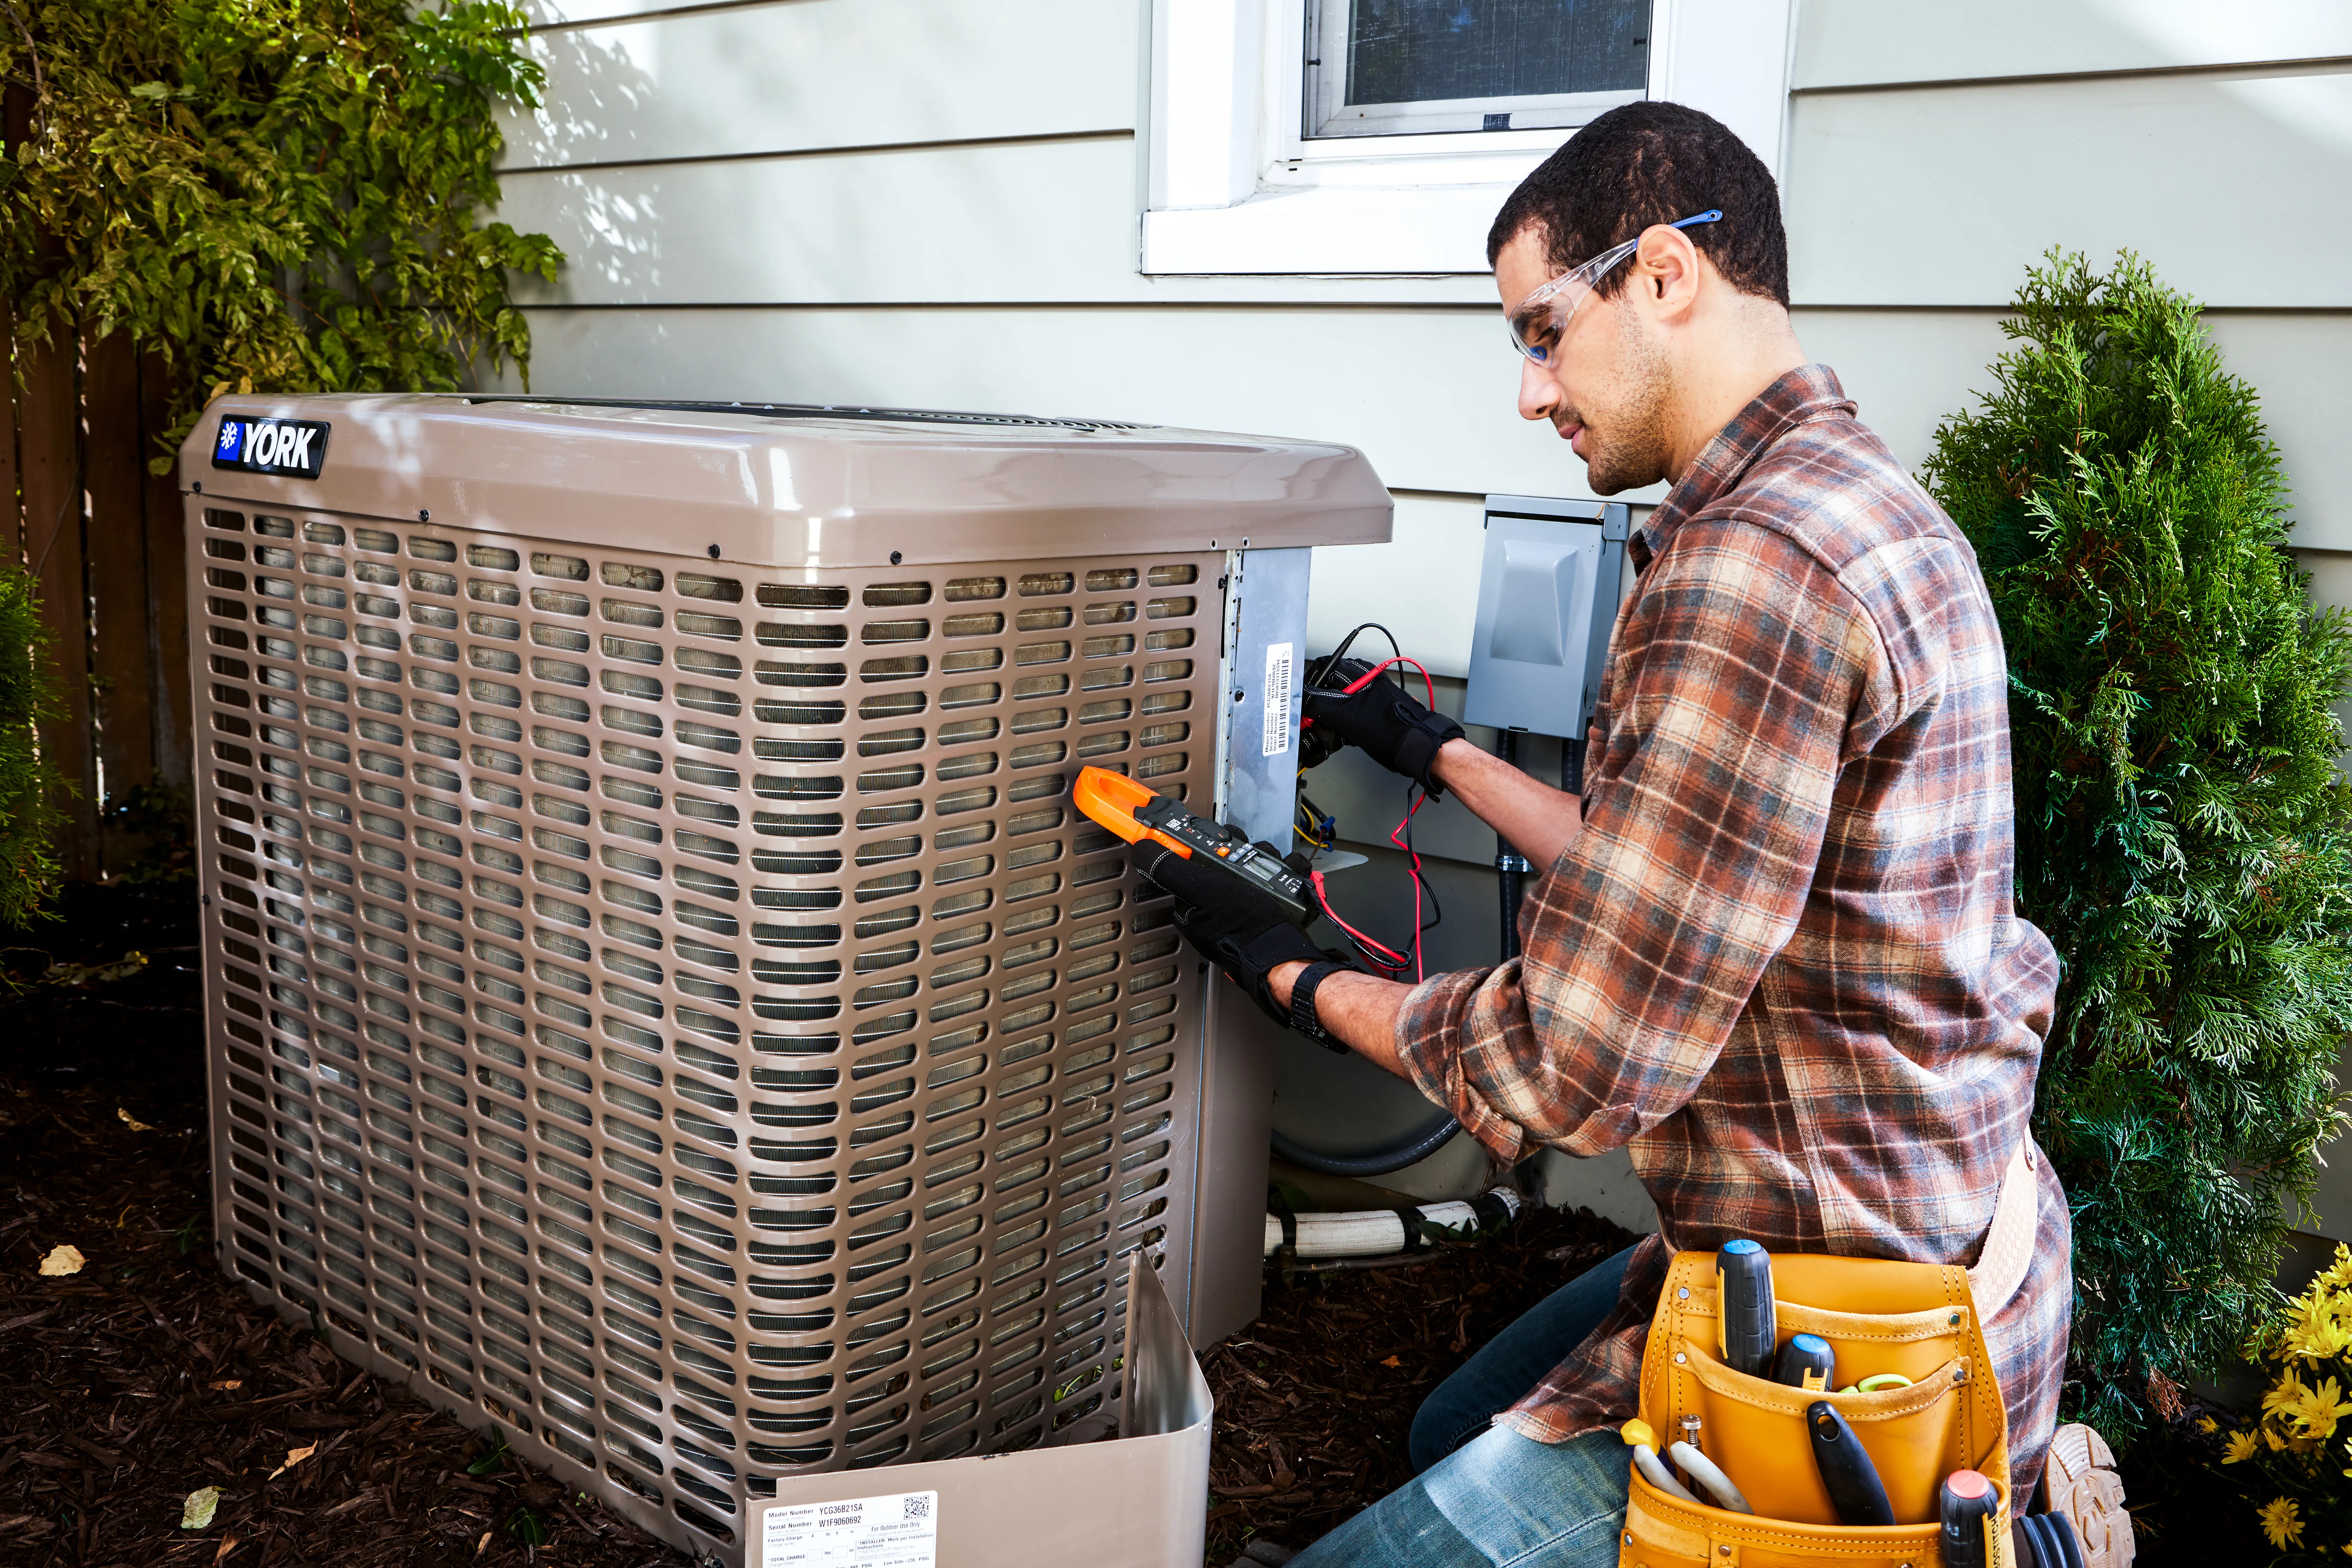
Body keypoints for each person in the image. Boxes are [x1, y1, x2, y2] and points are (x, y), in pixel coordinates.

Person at [1140, 101, 2072, 1564]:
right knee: (1453, 1429)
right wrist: (1428, 743)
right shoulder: (1855, 502)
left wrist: (1292, 970)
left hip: (1841, 1344)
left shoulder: (1755, 568)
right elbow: (1685, 878)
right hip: (1944, 1224)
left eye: (1540, 331)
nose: (1530, 392)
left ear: (1662, 275)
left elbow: (1573, 1065)